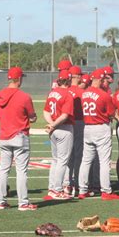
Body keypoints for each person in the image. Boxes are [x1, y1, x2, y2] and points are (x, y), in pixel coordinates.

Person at [0, 67, 37, 211]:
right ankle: (23, 202)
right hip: (19, 135)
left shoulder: (0, 95)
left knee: (3, 170)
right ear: (19, 79)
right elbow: (32, 116)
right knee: (21, 171)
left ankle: (0, 201)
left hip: (4, 135)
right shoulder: (24, 96)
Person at [78, 69, 119, 200]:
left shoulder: (84, 93)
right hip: (101, 127)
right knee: (104, 161)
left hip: (88, 127)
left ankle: (82, 189)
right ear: (101, 80)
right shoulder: (104, 95)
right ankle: (106, 190)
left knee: (86, 160)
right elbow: (111, 113)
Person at [43, 70, 74, 200]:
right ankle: (57, 189)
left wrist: (51, 125)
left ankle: (52, 188)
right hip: (63, 128)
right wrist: (54, 124)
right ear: (69, 80)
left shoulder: (52, 93)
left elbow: (45, 111)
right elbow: (65, 115)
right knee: (62, 161)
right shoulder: (68, 94)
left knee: (55, 160)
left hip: (54, 129)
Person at [64, 65, 84, 197]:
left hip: (64, 123)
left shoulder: (64, 90)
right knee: (78, 155)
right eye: (80, 75)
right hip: (79, 122)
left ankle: (66, 184)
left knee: (66, 156)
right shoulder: (81, 91)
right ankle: (77, 182)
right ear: (76, 77)